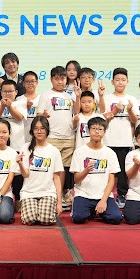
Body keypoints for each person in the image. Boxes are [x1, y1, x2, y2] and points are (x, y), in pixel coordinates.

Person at [38, 66, 79, 212]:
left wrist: (78, 97)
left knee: (64, 169)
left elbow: (76, 112)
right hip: (52, 137)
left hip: (69, 137)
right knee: (53, 168)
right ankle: (53, 195)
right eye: (57, 79)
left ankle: (61, 194)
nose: (60, 81)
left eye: (62, 79)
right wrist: (43, 116)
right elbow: (39, 115)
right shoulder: (46, 94)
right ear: (51, 79)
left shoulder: (69, 96)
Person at [70, 116, 123, 225]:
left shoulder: (110, 153)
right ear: (88, 131)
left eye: (100, 129)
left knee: (116, 218)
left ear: (104, 132)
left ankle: (98, 210)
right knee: (78, 218)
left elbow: (111, 180)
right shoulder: (79, 152)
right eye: (94, 129)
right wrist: (86, 171)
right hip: (84, 194)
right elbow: (76, 179)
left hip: (103, 195)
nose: (97, 132)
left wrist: (103, 200)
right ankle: (93, 212)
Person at [99, 67, 138, 209]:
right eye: (117, 80)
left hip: (125, 141)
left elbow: (135, 120)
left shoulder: (131, 99)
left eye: (123, 80)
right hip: (108, 140)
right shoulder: (107, 98)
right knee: (106, 170)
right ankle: (102, 195)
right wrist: (115, 110)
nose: (120, 82)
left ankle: (122, 194)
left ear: (127, 82)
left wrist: (130, 110)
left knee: (122, 172)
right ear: (112, 82)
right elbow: (102, 117)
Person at [17, 116, 63, 225]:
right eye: (36, 128)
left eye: (42, 128)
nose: (39, 131)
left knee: (45, 220)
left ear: (47, 130)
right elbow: (25, 174)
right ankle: (34, 210)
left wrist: (59, 202)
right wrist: (20, 164)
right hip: (29, 192)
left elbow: (57, 177)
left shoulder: (54, 151)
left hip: (48, 192)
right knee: (29, 219)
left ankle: (41, 210)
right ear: (32, 131)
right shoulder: (25, 148)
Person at [0, 79, 27, 208]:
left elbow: (19, 117)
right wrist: (2, 106)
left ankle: (17, 199)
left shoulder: (21, 102)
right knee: (0, 170)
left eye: (10, 91)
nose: (7, 94)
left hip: (17, 144)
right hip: (0, 146)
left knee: (17, 174)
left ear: (16, 92)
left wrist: (10, 106)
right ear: (1, 92)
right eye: (5, 91)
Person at [17, 71, 40, 146]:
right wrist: (26, 108)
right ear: (23, 84)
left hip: (37, 135)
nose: (30, 84)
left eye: (32, 81)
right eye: (27, 82)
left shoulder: (41, 98)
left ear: (37, 83)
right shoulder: (18, 99)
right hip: (21, 136)